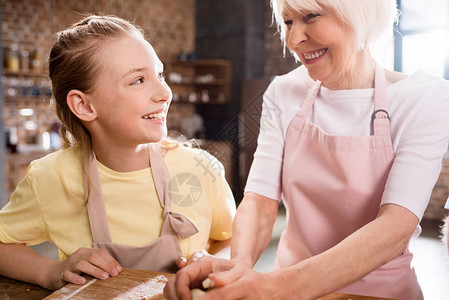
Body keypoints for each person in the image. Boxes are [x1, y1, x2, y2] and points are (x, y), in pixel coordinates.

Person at [164, 0, 449, 299]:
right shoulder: (284, 91)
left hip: (378, 293)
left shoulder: (427, 99)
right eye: (288, 23)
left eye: (311, 17)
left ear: (360, 13)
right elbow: (260, 200)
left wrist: (279, 287)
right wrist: (237, 268)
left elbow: (396, 226)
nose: (293, 39)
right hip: (287, 284)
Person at [0, 15, 236, 291]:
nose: (164, 92)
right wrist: (51, 271)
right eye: (138, 80)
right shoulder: (51, 177)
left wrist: (213, 263)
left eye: (159, 75)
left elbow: (232, 239)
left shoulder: (200, 169)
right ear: (85, 106)